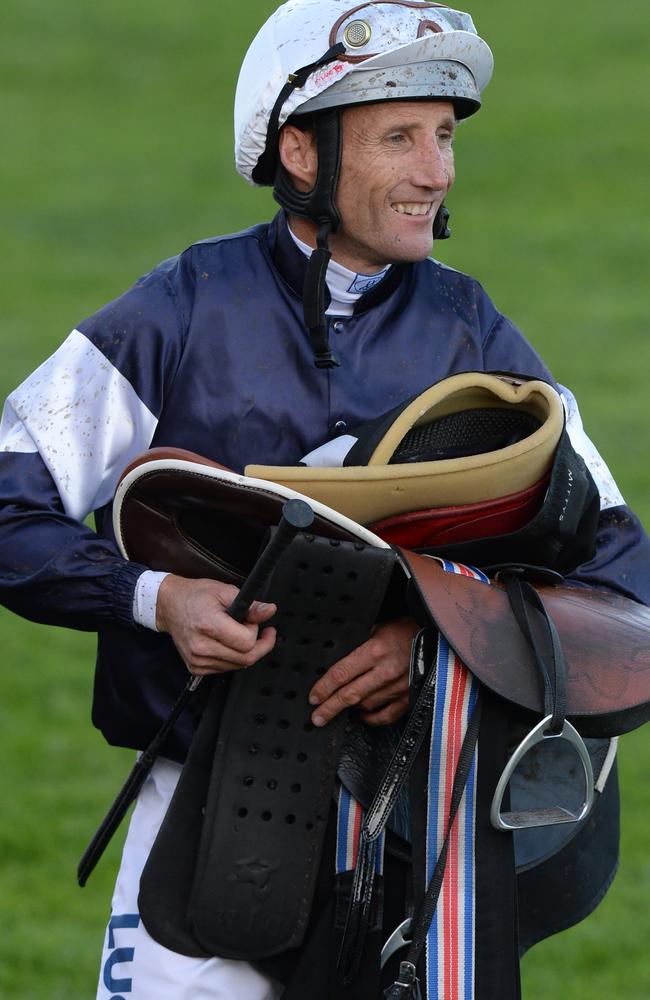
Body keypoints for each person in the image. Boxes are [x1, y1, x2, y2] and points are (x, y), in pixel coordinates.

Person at [0, 2, 648, 998]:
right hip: (199, 819)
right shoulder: (176, 310)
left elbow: (620, 576)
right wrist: (153, 599)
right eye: (399, 137)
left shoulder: (476, 340)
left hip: (415, 830)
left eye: (442, 136)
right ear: (298, 152)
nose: (435, 172)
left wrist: (432, 649)